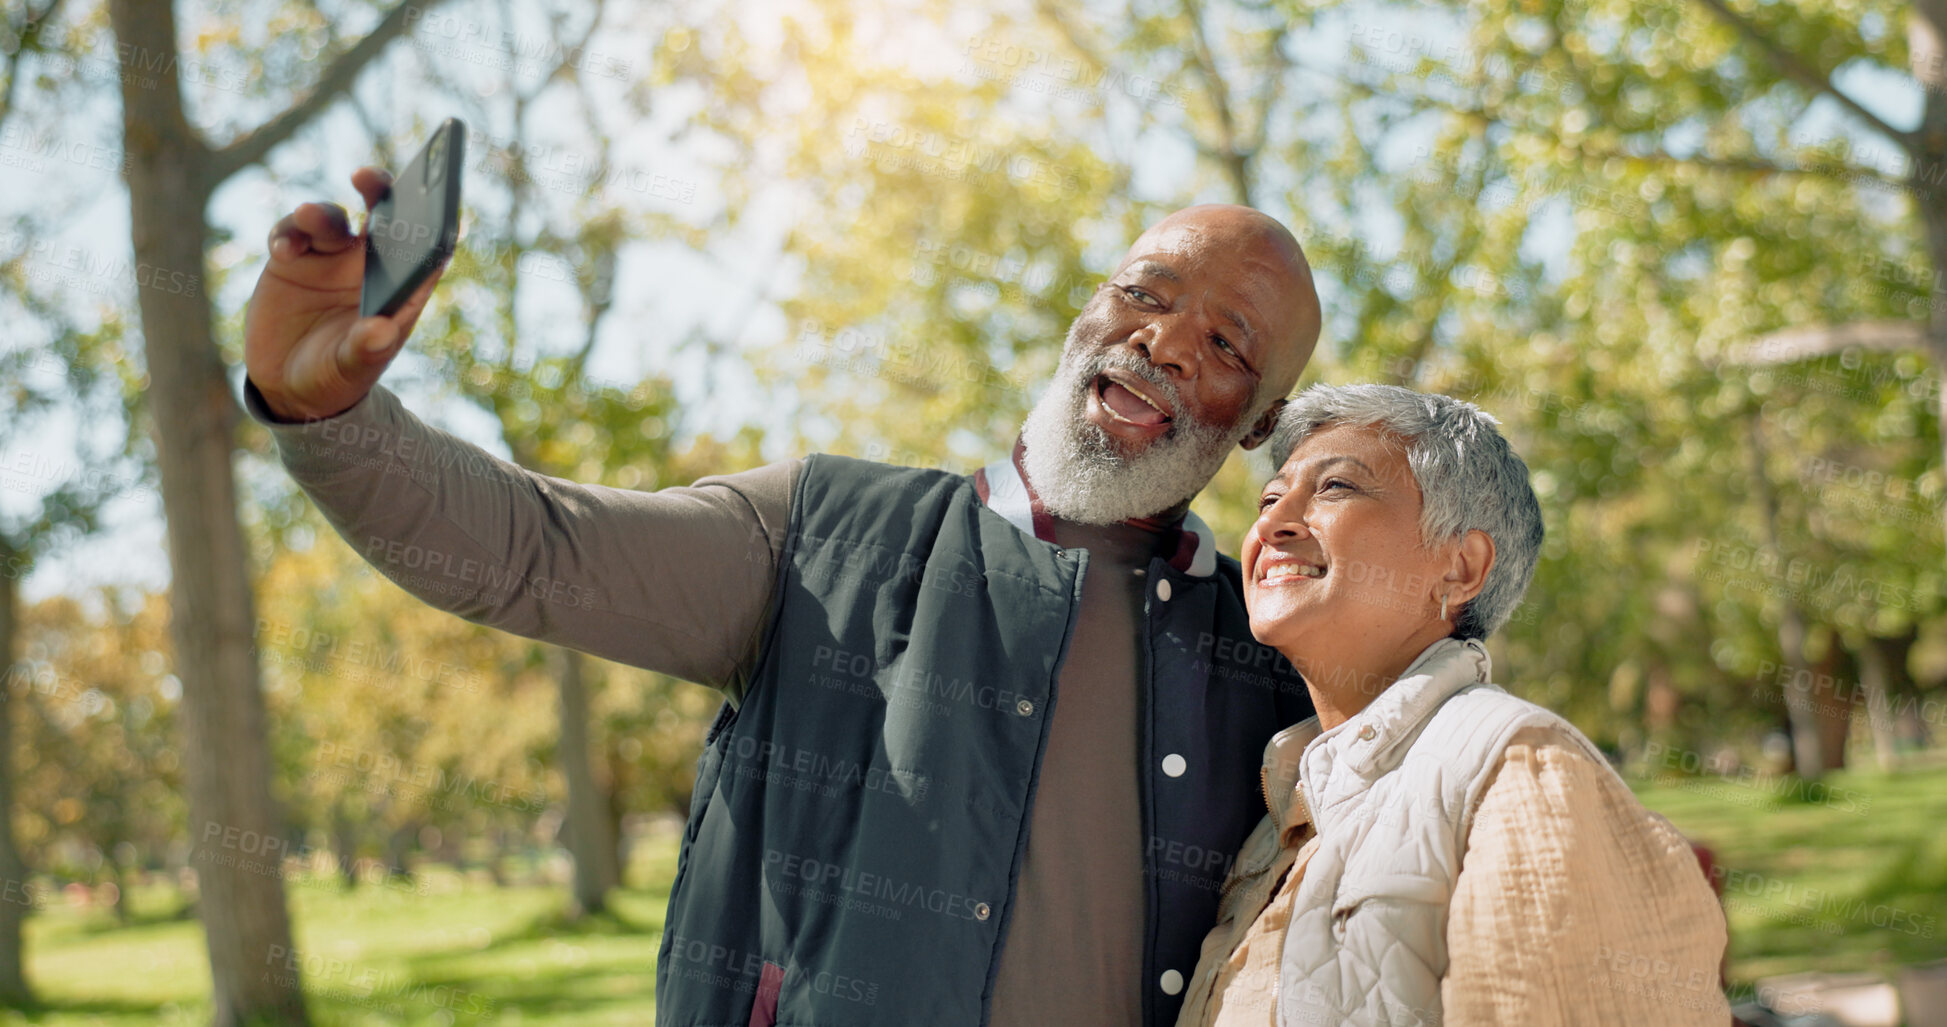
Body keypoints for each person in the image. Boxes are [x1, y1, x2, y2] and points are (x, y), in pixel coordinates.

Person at [240, 166, 1324, 1026]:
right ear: (1093, 305)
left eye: (1227, 343)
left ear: (1260, 422)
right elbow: (525, 550)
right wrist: (328, 415)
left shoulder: (1283, 657)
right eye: (1146, 290)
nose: (1167, 342)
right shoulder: (823, 533)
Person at [1174, 384, 1730, 1027]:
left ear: (1461, 568)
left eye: (1335, 488)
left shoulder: (1520, 770)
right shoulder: (1276, 830)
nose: (1271, 524)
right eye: (1269, 498)